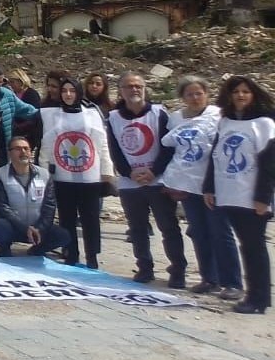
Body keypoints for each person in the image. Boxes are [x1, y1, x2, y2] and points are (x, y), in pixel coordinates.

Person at [161, 75, 239, 298]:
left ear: (206, 94)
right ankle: (209, 278)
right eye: (190, 94)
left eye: (199, 93)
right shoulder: (176, 119)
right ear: (182, 97)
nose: (195, 98)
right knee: (199, 232)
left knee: (221, 233)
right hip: (188, 184)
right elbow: (172, 150)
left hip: (214, 185)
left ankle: (232, 282)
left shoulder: (218, 115)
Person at [204, 76, 274, 314]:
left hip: (252, 197)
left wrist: (263, 197)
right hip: (228, 193)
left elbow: (269, 164)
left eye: (246, 91)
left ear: (253, 94)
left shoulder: (265, 123)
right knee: (245, 246)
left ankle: (259, 297)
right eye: (236, 91)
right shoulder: (225, 121)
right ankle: (253, 294)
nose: (241, 95)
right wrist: (209, 188)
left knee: (254, 247)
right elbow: (216, 157)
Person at [107, 71, 182, 287]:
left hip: (157, 180)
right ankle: (144, 267)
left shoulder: (159, 113)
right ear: (121, 91)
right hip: (131, 182)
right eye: (129, 86)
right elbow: (115, 150)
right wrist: (128, 172)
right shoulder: (113, 117)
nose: (134, 90)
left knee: (168, 226)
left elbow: (168, 145)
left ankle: (177, 269)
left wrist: (154, 171)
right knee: (137, 228)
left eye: (138, 86)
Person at [41, 75, 115, 269]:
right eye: (64, 91)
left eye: (72, 91)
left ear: (78, 92)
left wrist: (107, 172)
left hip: (90, 176)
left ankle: (92, 256)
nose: (67, 94)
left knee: (91, 218)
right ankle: (71, 253)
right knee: (67, 217)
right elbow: (46, 145)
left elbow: (103, 143)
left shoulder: (92, 113)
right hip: (62, 176)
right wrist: (43, 171)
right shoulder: (51, 114)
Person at [0, 137, 68, 257]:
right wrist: (25, 228)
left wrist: (39, 229)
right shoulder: (0, 174)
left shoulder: (44, 174)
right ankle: (5, 249)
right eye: (18, 149)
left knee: (63, 236)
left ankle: (37, 250)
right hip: (14, 226)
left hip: (37, 227)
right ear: (9, 153)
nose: (23, 152)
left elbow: (49, 206)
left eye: (26, 149)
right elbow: (2, 206)